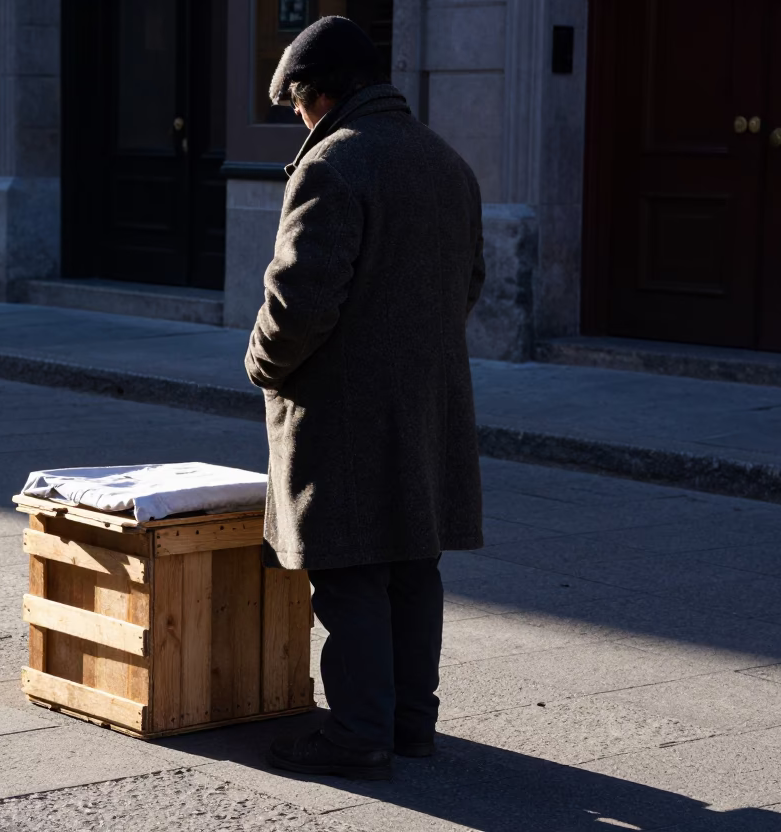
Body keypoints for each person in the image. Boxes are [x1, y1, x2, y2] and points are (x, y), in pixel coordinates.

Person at [245, 16, 486, 781]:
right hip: (426, 397)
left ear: (325, 94)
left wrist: (261, 361)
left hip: (344, 403)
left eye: (299, 105)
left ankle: (356, 735)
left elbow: (300, 299)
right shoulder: (446, 161)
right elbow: (470, 282)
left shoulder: (335, 166)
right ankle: (412, 726)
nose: (299, 119)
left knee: (347, 570)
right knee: (414, 560)